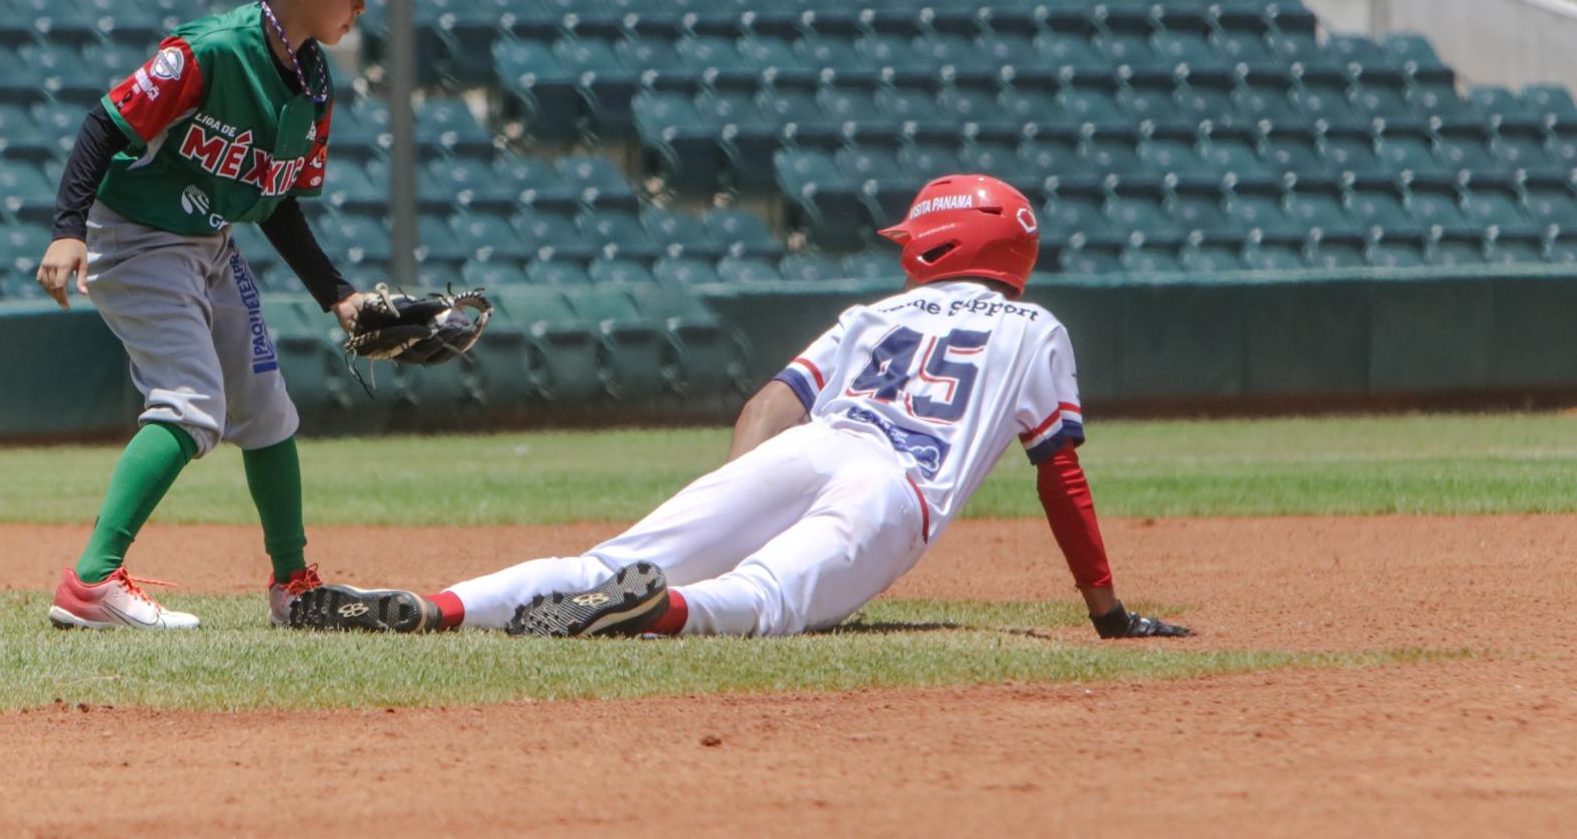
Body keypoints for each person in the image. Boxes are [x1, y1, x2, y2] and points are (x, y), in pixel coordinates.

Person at [290, 175, 1193, 641]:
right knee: (764, 599)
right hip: (895, 487)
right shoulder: (1032, 326)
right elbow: (1060, 470)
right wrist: (1108, 612)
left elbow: (774, 399)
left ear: (932, 243)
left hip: (804, 449)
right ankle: (655, 613)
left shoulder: (875, 313)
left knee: (602, 557)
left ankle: (433, 605)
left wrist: (746, 492)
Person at [37, 0, 411, 631]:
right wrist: (67, 229)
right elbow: (105, 123)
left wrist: (339, 295)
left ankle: (294, 586)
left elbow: (276, 202)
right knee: (191, 402)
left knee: (267, 409)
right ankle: (91, 582)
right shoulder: (208, 51)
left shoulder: (312, 80)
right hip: (137, 238)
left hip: (210, 244)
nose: (362, 1)